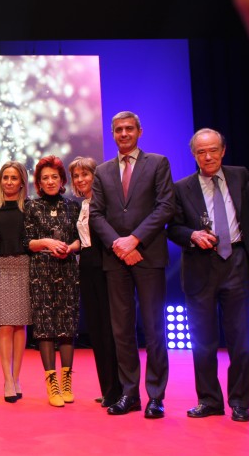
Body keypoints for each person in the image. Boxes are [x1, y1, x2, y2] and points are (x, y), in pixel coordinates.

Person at [90, 111, 176, 418]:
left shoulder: (158, 163)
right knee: (121, 330)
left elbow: (166, 206)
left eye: (129, 129)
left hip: (148, 255)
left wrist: (134, 240)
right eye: (118, 130)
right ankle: (130, 394)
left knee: (154, 329)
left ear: (139, 131)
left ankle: (155, 396)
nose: (124, 134)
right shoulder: (102, 171)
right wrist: (119, 243)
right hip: (115, 258)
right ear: (112, 134)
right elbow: (96, 214)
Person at [167, 128, 249, 422]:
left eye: (213, 150)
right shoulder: (181, 188)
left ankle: (240, 402)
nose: (208, 156)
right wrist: (192, 235)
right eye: (201, 152)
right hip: (200, 267)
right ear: (194, 155)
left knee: (241, 339)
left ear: (223, 150)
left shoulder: (241, 176)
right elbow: (173, 228)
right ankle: (209, 400)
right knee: (203, 341)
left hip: (237, 261)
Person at [24, 156, 80, 407]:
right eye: (44, 177)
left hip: (67, 269)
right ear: (38, 182)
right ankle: (52, 383)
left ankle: (67, 380)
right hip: (41, 270)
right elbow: (27, 242)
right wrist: (47, 242)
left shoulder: (73, 207)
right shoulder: (31, 207)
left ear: (62, 180)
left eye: (54, 177)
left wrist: (70, 248)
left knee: (67, 325)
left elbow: (81, 239)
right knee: (45, 325)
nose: (49, 181)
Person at [68, 156, 122, 408]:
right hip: (87, 267)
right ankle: (108, 388)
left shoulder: (106, 204)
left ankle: (119, 390)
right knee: (98, 331)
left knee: (111, 331)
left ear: (96, 176)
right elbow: (85, 240)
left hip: (106, 267)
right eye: (76, 176)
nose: (80, 180)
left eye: (85, 175)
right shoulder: (83, 205)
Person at [0, 161, 32, 404]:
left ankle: (17, 378)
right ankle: (7, 379)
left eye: (14, 178)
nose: (9, 182)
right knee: (4, 325)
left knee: (20, 326)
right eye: (5, 177)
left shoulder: (30, 207)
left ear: (22, 182)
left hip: (24, 267)